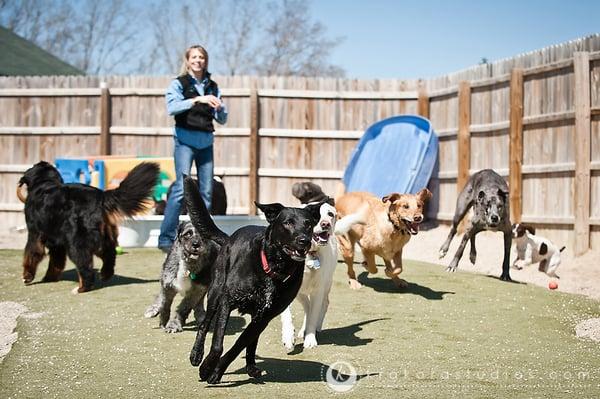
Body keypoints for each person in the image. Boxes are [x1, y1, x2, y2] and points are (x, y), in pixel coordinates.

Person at [158, 45, 228, 252]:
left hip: (206, 143)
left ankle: (202, 236)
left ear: (205, 61)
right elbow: (172, 108)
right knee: (181, 189)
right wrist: (197, 99)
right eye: (194, 57)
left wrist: (222, 108)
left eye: (202, 57)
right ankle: (166, 238)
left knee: (206, 192)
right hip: (185, 142)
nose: (198, 60)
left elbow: (222, 119)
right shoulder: (178, 84)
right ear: (188, 61)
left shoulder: (213, 86)